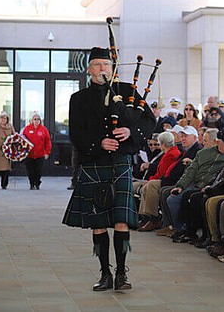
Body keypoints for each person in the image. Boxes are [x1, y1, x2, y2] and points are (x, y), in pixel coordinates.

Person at [62, 47, 156, 292]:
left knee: (122, 221)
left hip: (121, 162)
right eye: (97, 64)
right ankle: (105, 273)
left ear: (113, 67)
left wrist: (130, 132)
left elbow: (148, 121)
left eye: (106, 64)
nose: (102, 68)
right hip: (95, 163)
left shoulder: (127, 92)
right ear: (89, 69)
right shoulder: (79, 99)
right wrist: (98, 143)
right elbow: (76, 133)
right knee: (99, 222)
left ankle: (122, 273)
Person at [22, 112, 52, 190]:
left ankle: (37, 183)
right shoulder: (27, 129)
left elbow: (48, 141)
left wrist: (47, 152)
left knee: (38, 171)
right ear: (31, 120)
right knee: (30, 171)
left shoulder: (44, 129)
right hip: (29, 155)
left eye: (38, 119)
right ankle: (32, 184)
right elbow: (22, 141)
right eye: (35, 119)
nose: (36, 120)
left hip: (40, 154)